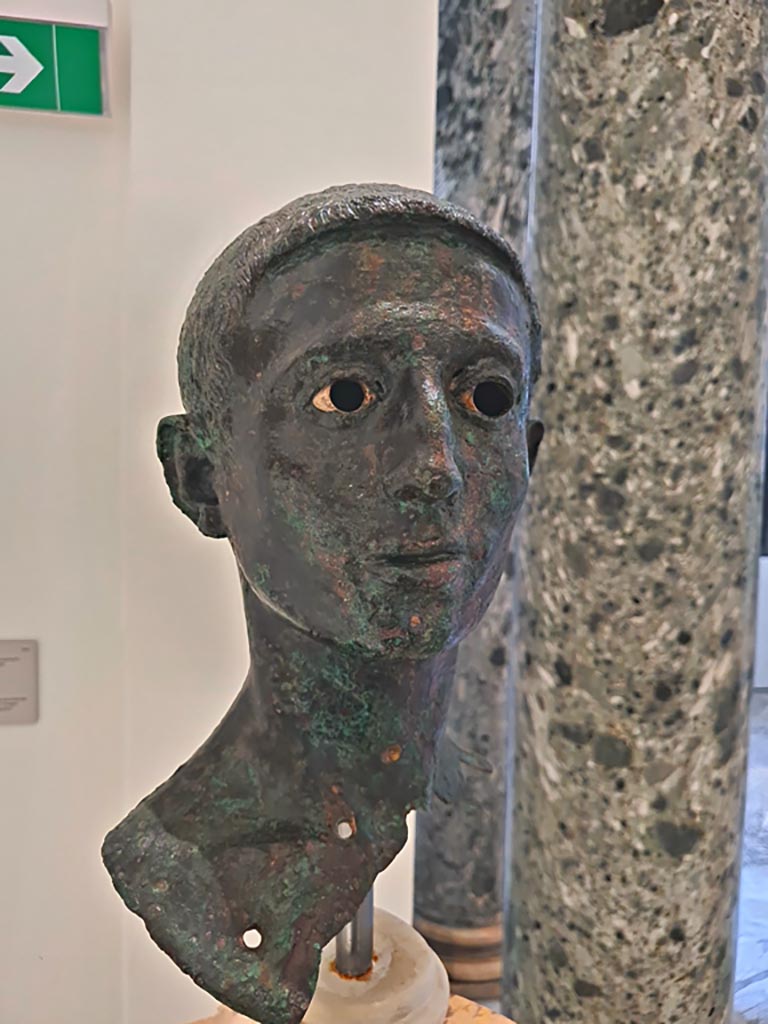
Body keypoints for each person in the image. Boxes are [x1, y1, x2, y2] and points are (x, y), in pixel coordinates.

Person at [103, 183, 543, 1024]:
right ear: (203, 477)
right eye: (344, 395)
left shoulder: (455, 771)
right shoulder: (193, 856)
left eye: (484, 397)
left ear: (529, 455)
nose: (436, 467)